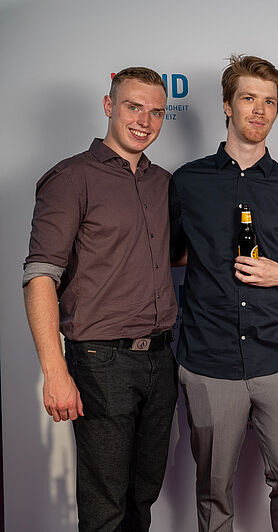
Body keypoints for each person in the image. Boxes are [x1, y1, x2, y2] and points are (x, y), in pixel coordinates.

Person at [169, 55, 278, 532]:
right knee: (213, 488)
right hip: (208, 359)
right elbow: (169, 252)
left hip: (277, 357)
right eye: (249, 98)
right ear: (227, 105)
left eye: (269, 102)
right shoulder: (187, 182)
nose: (259, 110)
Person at [23, 67, 176, 531]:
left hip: (161, 360)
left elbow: (176, 254)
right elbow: (40, 275)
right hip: (101, 362)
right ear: (109, 106)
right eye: (133, 107)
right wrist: (55, 372)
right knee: (104, 507)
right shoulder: (71, 178)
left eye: (156, 112)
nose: (144, 121)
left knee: (142, 498)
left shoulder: (163, 182)